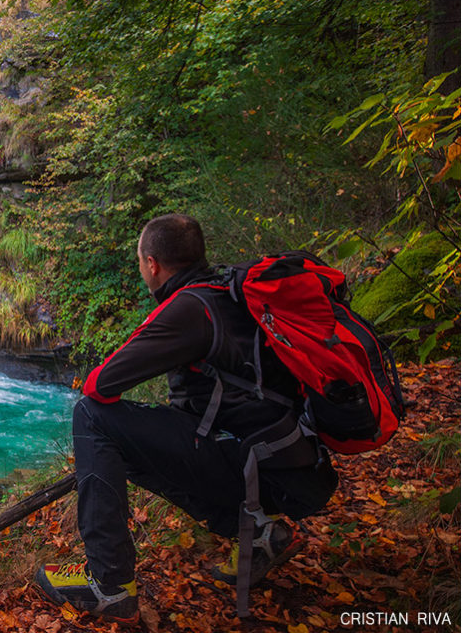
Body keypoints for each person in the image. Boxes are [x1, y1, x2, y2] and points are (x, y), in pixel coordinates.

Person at [35, 214, 338, 623]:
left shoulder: (188, 309)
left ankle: (109, 585)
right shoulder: (228, 294)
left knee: (92, 416)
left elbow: (99, 385)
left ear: (152, 264)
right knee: (141, 441)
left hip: (257, 465)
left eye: (141, 261)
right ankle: (259, 533)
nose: (141, 268)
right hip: (292, 463)